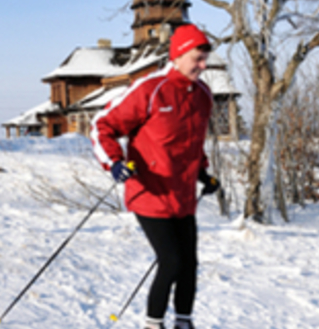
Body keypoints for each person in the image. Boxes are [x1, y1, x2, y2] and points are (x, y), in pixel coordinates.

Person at [91, 24, 221, 329]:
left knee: (189, 264)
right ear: (177, 55)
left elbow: (192, 142)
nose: (202, 67)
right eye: (196, 59)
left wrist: (203, 173)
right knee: (171, 260)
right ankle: (153, 324)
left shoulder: (202, 95)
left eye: (205, 60)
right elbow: (102, 125)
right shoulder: (150, 89)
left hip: (183, 195)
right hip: (149, 191)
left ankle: (184, 322)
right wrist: (114, 162)